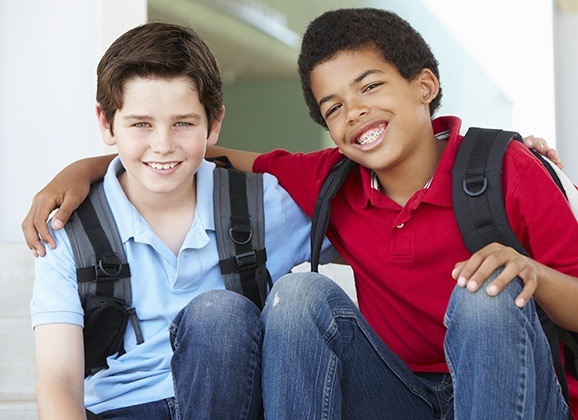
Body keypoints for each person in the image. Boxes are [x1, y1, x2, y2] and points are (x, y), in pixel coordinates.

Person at [21, 9, 577, 420]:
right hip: (396, 393)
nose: (355, 111)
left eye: (371, 86)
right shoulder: (328, 182)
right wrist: (88, 167)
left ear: (424, 85)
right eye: (334, 107)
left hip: (516, 387)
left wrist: (533, 261)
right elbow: (192, 156)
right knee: (298, 296)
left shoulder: (506, 167)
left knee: (485, 291)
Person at [30, 22, 336, 419]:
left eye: (183, 123)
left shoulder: (264, 205)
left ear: (214, 123)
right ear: (107, 123)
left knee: (219, 315)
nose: (162, 144)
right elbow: (59, 383)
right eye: (141, 124)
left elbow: (370, 233)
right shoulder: (68, 230)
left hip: (235, 403)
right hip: (122, 409)